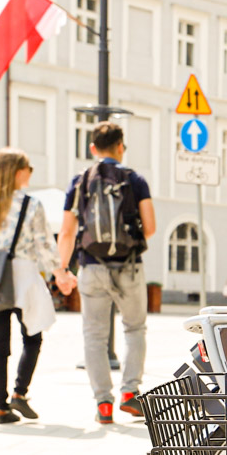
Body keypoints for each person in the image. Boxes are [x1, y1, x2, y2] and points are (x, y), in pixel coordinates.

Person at [0, 148, 74, 424]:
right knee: (33, 336)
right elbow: (45, 244)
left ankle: (0, 408)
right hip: (23, 276)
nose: (30, 172)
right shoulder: (31, 204)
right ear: (17, 171)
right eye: (28, 167)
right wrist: (60, 272)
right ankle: (19, 393)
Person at [58, 121, 154, 426]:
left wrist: (62, 268)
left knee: (94, 336)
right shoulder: (135, 180)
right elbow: (150, 227)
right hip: (128, 266)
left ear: (92, 148)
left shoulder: (80, 182)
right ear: (121, 147)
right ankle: (129, 393)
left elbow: (66, 232)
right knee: (134, 328)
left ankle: (103, 403)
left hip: (91, 267)